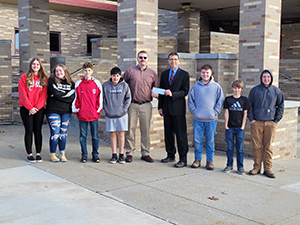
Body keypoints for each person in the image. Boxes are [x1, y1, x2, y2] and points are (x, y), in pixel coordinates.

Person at [123, 50, 159, 163]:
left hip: (146, 105)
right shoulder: (130, 71)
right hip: (132, 104)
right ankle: (129, 152)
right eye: (140, 57)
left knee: (145, 129)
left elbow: (156, 88)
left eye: (144, 57)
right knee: (130, 129)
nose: (142, 59)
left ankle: (145, 153)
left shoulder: (152, 73)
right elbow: (122, 85)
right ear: (137, 59)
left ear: (147, 60)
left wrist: (156, 94)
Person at [248, 69, 284, 178]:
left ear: (271, 78)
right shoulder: (255, 90)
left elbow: (281, 106)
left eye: (268, 77)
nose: (266, 79)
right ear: (261, 78)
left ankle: (268, 169)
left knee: (268, 147)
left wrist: (275, 121)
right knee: (257, 146)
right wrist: (252, 120)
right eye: (264, 77)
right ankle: (256, 167)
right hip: (257, 122)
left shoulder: (276, 91)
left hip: (270, 123)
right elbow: (249, 106)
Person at [188, 64, 224, 170]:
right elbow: (190, 101)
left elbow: (220, 101)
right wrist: (195, 112)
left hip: (211, 119)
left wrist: (215, 112)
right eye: (203, 72)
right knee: (197, 140)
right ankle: (197, 160)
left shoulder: (216, 87)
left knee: (210, 141)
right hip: (198, 119)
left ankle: (209, 161)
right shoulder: (196, 87)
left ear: (211, 73)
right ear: (201, 73)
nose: (205, 74)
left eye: (207, 72)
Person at [158, 52, 190, 168]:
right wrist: (160, 107)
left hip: (178, 110)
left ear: (178, 60)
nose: (173, 61)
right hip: (166, 109)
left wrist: (173, 94)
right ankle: (170, 155)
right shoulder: (164, 74)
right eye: (171, 59)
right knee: (168, 134)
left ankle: (183, 159)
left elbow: (185, 91)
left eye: (175, 59)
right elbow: (161, 91)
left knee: (181, 135)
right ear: (168, 61)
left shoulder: (184, 75)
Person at [18, 57, 48, 163]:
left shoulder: (44, 79)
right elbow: (22, 94)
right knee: (29, 130)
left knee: (38, 130)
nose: (35, 66)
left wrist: (36, 108)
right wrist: (30, 108)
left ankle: (38, 153)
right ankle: (29, 154)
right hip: (26, 108)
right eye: (34, 64)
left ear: (40, 66)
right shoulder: (24, 77)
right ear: (31, 65)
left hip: (39, 109)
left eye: (37, 64)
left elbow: (44, 95)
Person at [72, 62, 103, 163]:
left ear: (92, 71)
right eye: (85, 70)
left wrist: (97, 111)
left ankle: (95, 155)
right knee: (82, 136)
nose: (87, 72)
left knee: (95, 136)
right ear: (82, 71)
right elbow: (76, 99)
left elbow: (100, 99)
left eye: (89, 70)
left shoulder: (97, 83)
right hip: (83, 115)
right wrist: (78, 110)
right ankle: (84, 154)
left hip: (94, 114)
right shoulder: (78, 84)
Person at [46, 64, 75, 162]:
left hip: (66, 112)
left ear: (65, 71)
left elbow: (72, 97)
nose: (58, 72)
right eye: (56, 71)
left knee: (63, 134)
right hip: (53, 111)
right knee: (55, 133)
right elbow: (55, 92)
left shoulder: (71, 83)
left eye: (60, 70)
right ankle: (53, 154)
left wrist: (58, 95)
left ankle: (62, 153)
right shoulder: (51, 81)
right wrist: (65, 95)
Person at [102, 67, 131, 164]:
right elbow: (102, 99)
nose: (115, 78)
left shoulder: (125, 86)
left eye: (117, 76)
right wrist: (106, 109)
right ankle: (114, 154)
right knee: (113, 134)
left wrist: (123, 109)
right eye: (114, 76)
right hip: (110, 114)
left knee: (121, 134)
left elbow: (128, 98)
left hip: (122, 114)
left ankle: (121, 154)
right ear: (111, 76)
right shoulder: (105, 85)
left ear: (120, 76)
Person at [222, 80, 249, 175]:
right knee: (230, 148)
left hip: (239, 128)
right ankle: (229, 165)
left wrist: (243, 126)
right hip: (230, 127)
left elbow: (245, 113)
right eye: (235, 88)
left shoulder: (244, 100)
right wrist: (226, 125)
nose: (236, 90)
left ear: (241, 89)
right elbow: (226, 112)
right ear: (232, 88)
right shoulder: (228, 99)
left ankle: (240, 167)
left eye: (238, 88)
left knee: (239, 149)